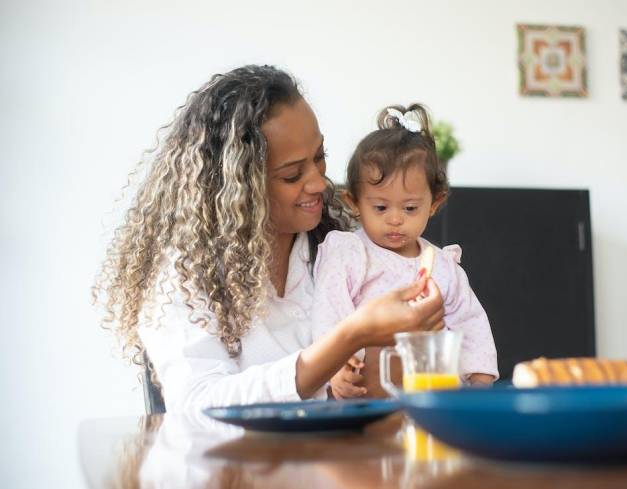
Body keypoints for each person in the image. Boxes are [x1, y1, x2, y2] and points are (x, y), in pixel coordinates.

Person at [93, 66, 445, 412]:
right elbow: (197, 404)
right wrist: (350, 337)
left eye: (319, 158)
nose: (319, 183)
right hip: (239, 468)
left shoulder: (342, 249)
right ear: (238, 187)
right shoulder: (184, 276)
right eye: (292, 175)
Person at [311, 104, 499, 399]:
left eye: (410, 208)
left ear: (434, 204)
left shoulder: (443, 265)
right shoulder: (348, 253)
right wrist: (336, 368)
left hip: (436, 398)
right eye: (381, 207)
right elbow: (330, 314)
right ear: (353, 202)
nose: (395, 219)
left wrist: (480, 377)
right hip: (370, 392)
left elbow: (469, 319)